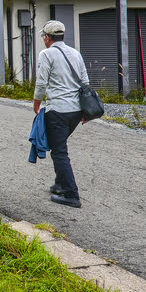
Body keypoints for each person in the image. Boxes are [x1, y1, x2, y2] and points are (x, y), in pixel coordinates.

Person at [33, 20, 88, 208]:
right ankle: (59, 184)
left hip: (58, 110)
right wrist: (85, 111)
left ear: (47, 38)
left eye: (44, 37)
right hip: (76, 111)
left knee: (59, 152)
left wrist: (36, 104)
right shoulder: (76, 53)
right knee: (60, 146)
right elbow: (85, 82)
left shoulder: (46, 54)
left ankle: (71, 195)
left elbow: (41, 83)